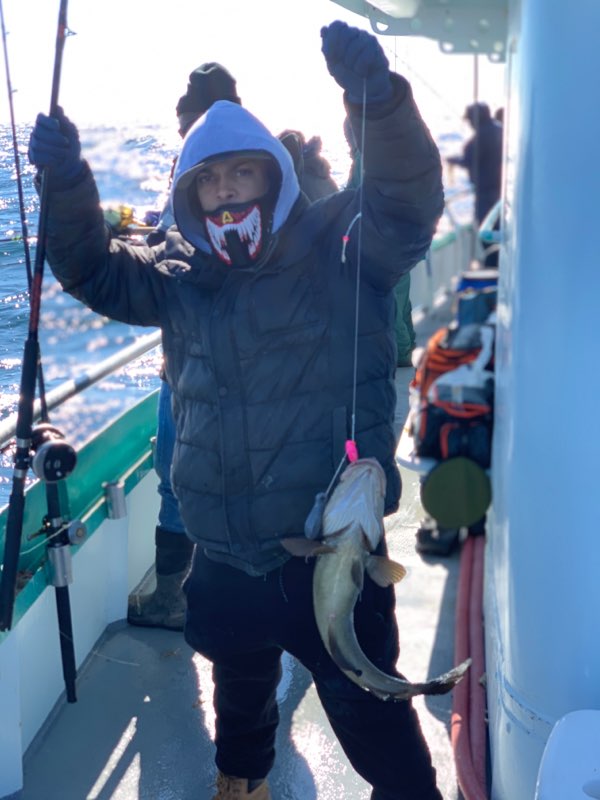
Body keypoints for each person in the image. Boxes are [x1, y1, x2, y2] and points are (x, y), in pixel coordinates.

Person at [29, 20, 445, 800]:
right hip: (225, 553)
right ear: (189, 192)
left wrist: (380, 104)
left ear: (275, 179)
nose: (227, 191)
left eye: (243, 175)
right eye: (210, 181)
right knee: (238, 685)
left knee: (372, 711)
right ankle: (242, 778)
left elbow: (406, 203)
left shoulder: (339, 251)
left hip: (331, 555)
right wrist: (68, 188)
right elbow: (91, 269)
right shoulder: (178, 274)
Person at [130, 66, 341, 632]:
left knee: (178, 476)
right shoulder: (257, 175)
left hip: (199, 372)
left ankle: (174, 592)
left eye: (186, 125)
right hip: (216, 368)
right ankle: (228, 585)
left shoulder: (205, 173)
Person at [344, 116, 416, 367]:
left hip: (383, 242)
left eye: (348, 135)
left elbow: (355, 196)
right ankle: (410, 345)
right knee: (402, 297)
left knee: (391, 300)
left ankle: (402, 354)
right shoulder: (394, 154)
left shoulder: (365, 159)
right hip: (403, 237)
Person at [447, 101, 502, 225]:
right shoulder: (500, 129)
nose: (470, 124)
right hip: (501, 189)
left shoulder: (478, 139)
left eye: (470, 120)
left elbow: (468, 161)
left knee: (486, 224)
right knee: (499, 221)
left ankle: (489, 245)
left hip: (485, 193)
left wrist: (453, 160)